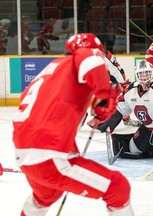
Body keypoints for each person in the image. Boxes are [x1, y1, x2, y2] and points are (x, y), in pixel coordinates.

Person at [12, 33, 134, 216]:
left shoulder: (51, 69)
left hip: (24, 153)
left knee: (45, 196)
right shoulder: (85, 57)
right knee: (117, 187)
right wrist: (102, 94)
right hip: (48, 153)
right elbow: (89, 57)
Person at [84, 49, 141, 128]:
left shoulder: (105, 55)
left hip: (109, 77)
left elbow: (117, 69)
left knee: (123, 95)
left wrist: (123, 83)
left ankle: (126, 118)